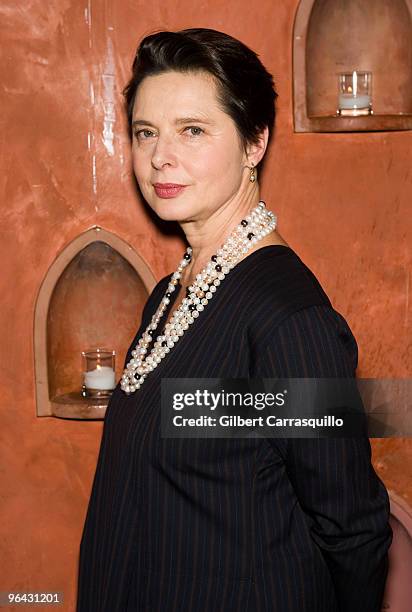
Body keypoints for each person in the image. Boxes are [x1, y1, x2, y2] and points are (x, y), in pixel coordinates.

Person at [76, 28, 393, 611]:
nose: (160, 156)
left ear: (254, 143)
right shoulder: (174, 292)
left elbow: (352, 529)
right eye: (146, 133)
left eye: (192, 130)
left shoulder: (288, 321)